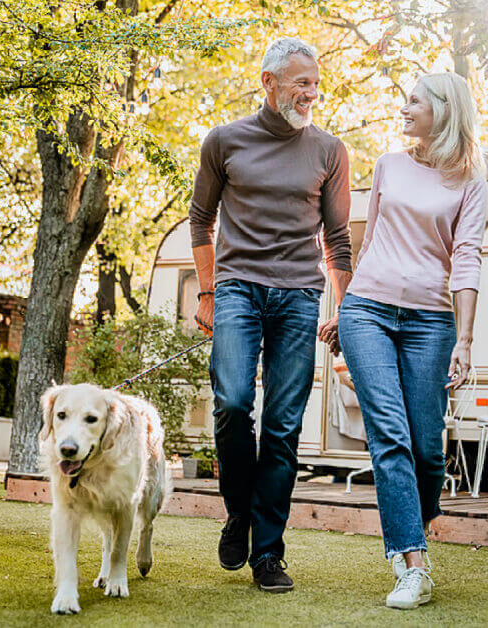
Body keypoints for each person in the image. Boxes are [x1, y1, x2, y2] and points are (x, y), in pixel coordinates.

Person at [188, 37, 353, 593]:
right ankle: (239, 512)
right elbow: (200, 220)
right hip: (236, 290)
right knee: (233, 402)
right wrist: (208, 293)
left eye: (315, 83)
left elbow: (337, 238)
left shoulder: (330, 150)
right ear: (269, 82)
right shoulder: (225, 141)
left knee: (283, 428)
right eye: (301, 82)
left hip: (299, 298)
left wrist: (346, 308)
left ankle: (268, 553)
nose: (311, 92)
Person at [318, 72, 486, 610]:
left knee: (425, 449)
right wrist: (344, 313)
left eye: (415, 100)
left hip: (431, 322)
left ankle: (417, 511)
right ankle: (412, 562)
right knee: (388, 435)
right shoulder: (389, 164)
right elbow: (371, 245)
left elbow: (466, 257)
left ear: (444, 110)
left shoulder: (470, 181)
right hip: (367, 310)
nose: (405, 107)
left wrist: (465, 338)